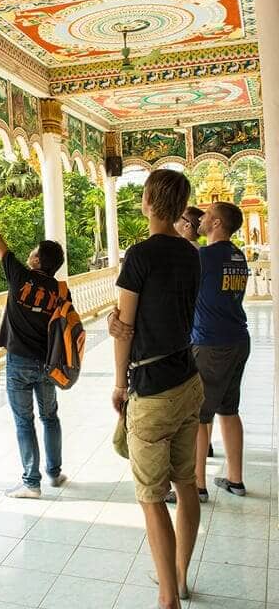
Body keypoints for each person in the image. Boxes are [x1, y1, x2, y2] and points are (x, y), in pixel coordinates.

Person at [108, 170, 202, 609]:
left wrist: (116, 383)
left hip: (153, 388)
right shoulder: (192, 254)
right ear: (181, 205)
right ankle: (180, 579)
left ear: (147, 201)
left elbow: (124, 328)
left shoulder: (139, 255)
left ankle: (168, 599)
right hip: (189, 379)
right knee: (185, 484)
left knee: (151, 498)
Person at [0, 192, 67, 499]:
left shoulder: (19, 277)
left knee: (24, 422)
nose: (29, 253)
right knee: (49, 416)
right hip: (48, 364)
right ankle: (54, 473)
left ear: (38, 260)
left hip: (19, 363)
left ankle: (31, 483)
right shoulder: (59, 289)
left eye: (34, 252)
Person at [187, 202, 250, 498]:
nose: (201, 218)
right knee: (229, 409)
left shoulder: (204, 256)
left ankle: (197, 484)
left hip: (211, 343)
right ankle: (235, 480)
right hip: (238, 338)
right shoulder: (238, 256)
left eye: (207, 215)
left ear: (217, 224)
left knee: (201, 415)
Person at [175, 205, 215, 460]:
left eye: (178, 220)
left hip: (191, 332)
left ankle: (196, 452)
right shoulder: (204, 253)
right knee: (206, 394)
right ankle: (206, 443)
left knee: (193, 399)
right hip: (202, 330)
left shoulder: (185, 255)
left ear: (187, 225)